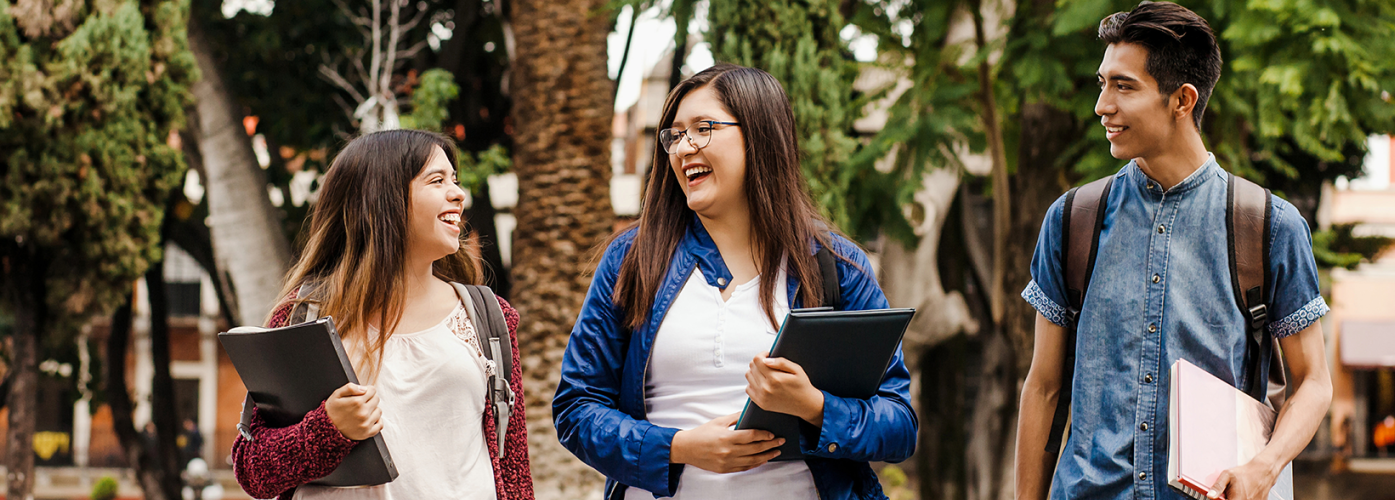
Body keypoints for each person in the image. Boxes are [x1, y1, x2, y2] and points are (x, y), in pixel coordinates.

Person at [1011, 3, 1332, 500]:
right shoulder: (1073, 219)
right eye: (1103, 84)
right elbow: (1043, 387)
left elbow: (1313, 381)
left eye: (1123, 86)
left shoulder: (1268, 226)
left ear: (1182, 100)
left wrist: (1264, 469)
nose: (1102, 105)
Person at [552, 63, 917, 500]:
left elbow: (899, 424)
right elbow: (576, 408)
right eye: (675, 134)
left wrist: (815, 407)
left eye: (703, 128)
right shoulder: (633, 259)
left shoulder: (836, 265)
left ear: (760, 136)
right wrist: (679, 447)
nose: (684, 147)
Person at [230, 129, 534, 500]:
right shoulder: (303, 315)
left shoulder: (488, 318)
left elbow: (514, 470)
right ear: (383, 198)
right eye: (437, 180)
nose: (458, 193)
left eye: (455, 180)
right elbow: (253, 470)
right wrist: (328, 430)